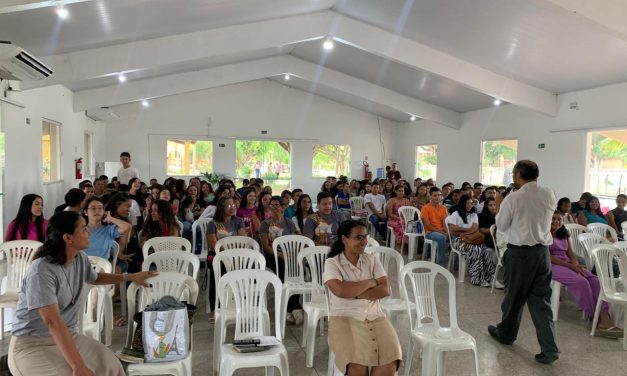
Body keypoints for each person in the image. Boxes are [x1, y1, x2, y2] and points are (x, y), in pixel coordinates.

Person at [8, 211, 156, 376]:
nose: (89, 233)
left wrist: (129, 276)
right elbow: (53, 322)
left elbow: (94, 277)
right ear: (68, 238)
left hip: (69, 337)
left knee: (111, 365)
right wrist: (78, 365)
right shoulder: (41, 270)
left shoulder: (79, 258)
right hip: (32, 345)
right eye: (84, 229)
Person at [488, 160, 559, 364]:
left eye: (513, 173)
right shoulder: (549, 193)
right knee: (541, 301)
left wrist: (501, 204)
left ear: (519, 174)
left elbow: (501, 226)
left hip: (521, 255)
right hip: (542, 254)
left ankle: (506, 335)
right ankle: (549, 348)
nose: (512, 177)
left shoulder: (514, 198)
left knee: (513, 297)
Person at [323, 220, 402, 376]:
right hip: (344, 318)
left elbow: (385, 290)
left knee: (390, 362)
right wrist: (370, 282)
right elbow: (339, 290)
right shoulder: (332, 263)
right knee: (356, 368)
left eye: (365, 236)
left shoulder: (372, 259)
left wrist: (353, 292)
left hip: (376, 316)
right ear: (344, 239)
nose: (364, 242)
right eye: (359, 237)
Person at [549, 211, 623, 338]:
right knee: (581, 282)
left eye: (559, 219)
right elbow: (547, 256)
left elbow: (570, 253)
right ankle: (595, 317)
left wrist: (575, 263)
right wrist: (571, 266)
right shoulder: (543, 234)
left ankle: (604, 316)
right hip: (552, 265)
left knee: (595, 280)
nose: (556, 221)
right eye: (553, 219)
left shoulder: (564, 234)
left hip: (567, 263)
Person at [258, 196, 303, 325]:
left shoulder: (289, 222)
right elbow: (266, 247)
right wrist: (279, 254)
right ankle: (292, 307)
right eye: (272, 205)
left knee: (296, 269)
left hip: (288, 255)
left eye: (277, 205)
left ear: (283, 207)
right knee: (284, 269)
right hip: (272, 256)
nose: (274, 207)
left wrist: (291, 252)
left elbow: (297, 239)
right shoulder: (265, 224)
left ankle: (292, 305)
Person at [206, 197, 248, 312]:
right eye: (228, 205)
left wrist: (232, 255)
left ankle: (240, 304)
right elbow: (213, 245)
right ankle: (216, 308)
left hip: (235, 256)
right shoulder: (213, 223)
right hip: (217, 256)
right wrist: (226, 255)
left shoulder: (238, 221)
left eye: (233, 204)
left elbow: (241, 241)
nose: (232, 207)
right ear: (221, 207)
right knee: (218, 271)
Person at [446, 195, 496, 286]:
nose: (469, 205)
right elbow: (452, 230)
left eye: (471, 203)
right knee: (476, 250)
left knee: (487, 250)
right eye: (467, 203)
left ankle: (491, 277)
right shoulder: (455, 214)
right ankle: (477, 279)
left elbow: (475, 228)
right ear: (462, 204)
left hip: (473, 239)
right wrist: (468, 230)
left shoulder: (474, 215)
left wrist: (461, 230)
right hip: (458, 240)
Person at [420, 187, 448, 266]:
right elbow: (427, 225)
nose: (437, 197)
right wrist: (442, 232)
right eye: (435, 195)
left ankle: (456, 264)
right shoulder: (425, 208)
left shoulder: (443, 208)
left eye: (439, 195)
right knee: (442, 237)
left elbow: (444, 223)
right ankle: (441, 264)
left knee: (456, 237)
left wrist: (447, 232)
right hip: (430, 232)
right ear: (430, 196)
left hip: (441, 231)